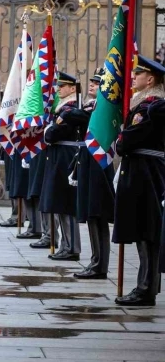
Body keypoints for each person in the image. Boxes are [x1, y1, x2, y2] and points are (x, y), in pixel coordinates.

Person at [113, 56, 165, 306]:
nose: (132, 78)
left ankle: (146, 289)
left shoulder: (151, 106)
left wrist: (120, 142)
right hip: (142, 170)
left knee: (148, 230)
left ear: (150, 79)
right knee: (143, 230)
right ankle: (144, 286)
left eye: (138, 74)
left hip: (147, 172)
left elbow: (128, 140)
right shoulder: (145, 104)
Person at [66, 68, 114, 279]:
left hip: (98, 162)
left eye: (98, 82)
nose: (93, 84)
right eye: (92, 82)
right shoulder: (91, 105)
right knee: (92, 215)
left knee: (98, 214)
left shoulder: (101, 108)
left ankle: (100, 264)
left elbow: (74, 116)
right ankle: (95, 261)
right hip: (88, 160)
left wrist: (76, 112)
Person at [39, 72, 81, 261]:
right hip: (59, 156)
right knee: (59, 203)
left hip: (66, 157)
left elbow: (53, 133)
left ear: (73, 89)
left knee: (66, 203)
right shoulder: (63, 108)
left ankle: (71, 247)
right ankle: (66, 245)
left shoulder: (71, 108)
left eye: (63, 86)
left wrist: (49, 131)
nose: (59, 89)